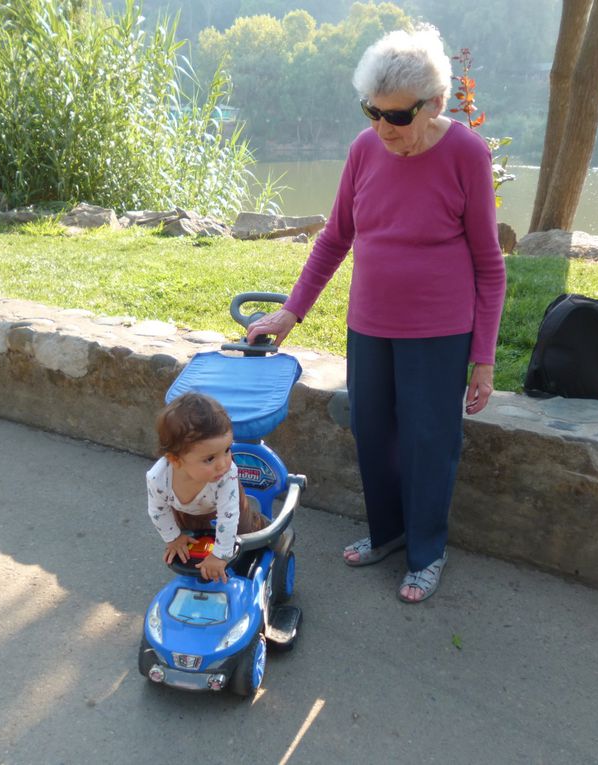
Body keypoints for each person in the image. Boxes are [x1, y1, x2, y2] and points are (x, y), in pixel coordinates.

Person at [246, 26, 506, 603]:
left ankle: (426, 551)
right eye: (373, 113)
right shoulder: (366, 149)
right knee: (373, 431)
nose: (384, 129)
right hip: (369, 325)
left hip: (440, 332)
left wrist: (482, 360)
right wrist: (292, 312)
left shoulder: (466, 152)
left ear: (435, 104)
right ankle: (388, 534)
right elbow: (335, 238)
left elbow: (490, 265)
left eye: (398, 117)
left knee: (429, 440)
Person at [146, 392, 267, 583]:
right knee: (193, 535)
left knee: (243, 533)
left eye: (227, 450)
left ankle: (264, 527)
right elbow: (158, 511)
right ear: (175, 461)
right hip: (188, 511)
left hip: (228, 508)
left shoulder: (226, 474)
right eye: (209, 458)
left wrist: (219, 556)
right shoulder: (158, 478)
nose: (223, 464)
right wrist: (173, 538)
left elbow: (228, 518)